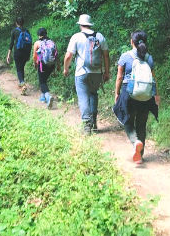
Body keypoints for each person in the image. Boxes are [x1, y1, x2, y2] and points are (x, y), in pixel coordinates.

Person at [113, 30, 160, 164]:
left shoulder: (125, 56)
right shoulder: (149, 58)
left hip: (129, 94)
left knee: (127, 120)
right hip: (146, 95)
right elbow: (153, 78)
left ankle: (135, 141)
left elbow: (119, 77)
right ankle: (140, 154)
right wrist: (156, 95)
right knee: (141, 124)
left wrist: (117, 93)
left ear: (132, 42)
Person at [63, 14, 110, 135]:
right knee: (93, 94)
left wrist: (66, 69)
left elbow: (68, 56)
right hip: (97, 73)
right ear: (90, 24)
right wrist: (107, 72)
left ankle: (87, 126)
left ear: (80, 25)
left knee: (83, 97)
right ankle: (94, 122)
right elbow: (106, 55)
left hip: (81, 73)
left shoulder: (77, 37)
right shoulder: (100, 36)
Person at [33, 27, 59, 109]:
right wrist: (58, 66)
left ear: (38, 35)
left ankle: (48, 97)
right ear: (46, 34)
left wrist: (35, 64)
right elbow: (56, 55)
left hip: (42, 65)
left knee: (42, 82)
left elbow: (35, 56)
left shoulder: (37, 43)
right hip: (51, 65)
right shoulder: (52, 42)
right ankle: (42, 97)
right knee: (44, 80)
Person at [6, 17, 32, 92]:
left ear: (16, 23)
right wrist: (29, 54)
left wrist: (8, 55)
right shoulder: (27, 30)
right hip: (25, 52)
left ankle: (22, 83)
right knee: (22, 68)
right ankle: (21, 83)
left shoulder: (14, 31)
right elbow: (30, 43)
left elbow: (11, 44)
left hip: (18, 52)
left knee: (18, 69)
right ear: (23, 23)